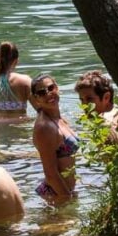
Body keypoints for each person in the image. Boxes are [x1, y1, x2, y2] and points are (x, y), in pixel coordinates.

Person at [29, 73, 78, 204]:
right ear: (36, 99)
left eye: (51, 88)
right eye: (42, 92)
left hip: (62, 192)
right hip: (56, 196)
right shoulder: (44, 127)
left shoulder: (59, 118)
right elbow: (50, 174)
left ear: (57, 88)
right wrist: (68, 199)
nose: (48, 93)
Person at [75, 70, 118, 143]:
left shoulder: (114, 123)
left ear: (106, 97)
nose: (84, 105)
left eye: (89, 99)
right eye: (81, 100)